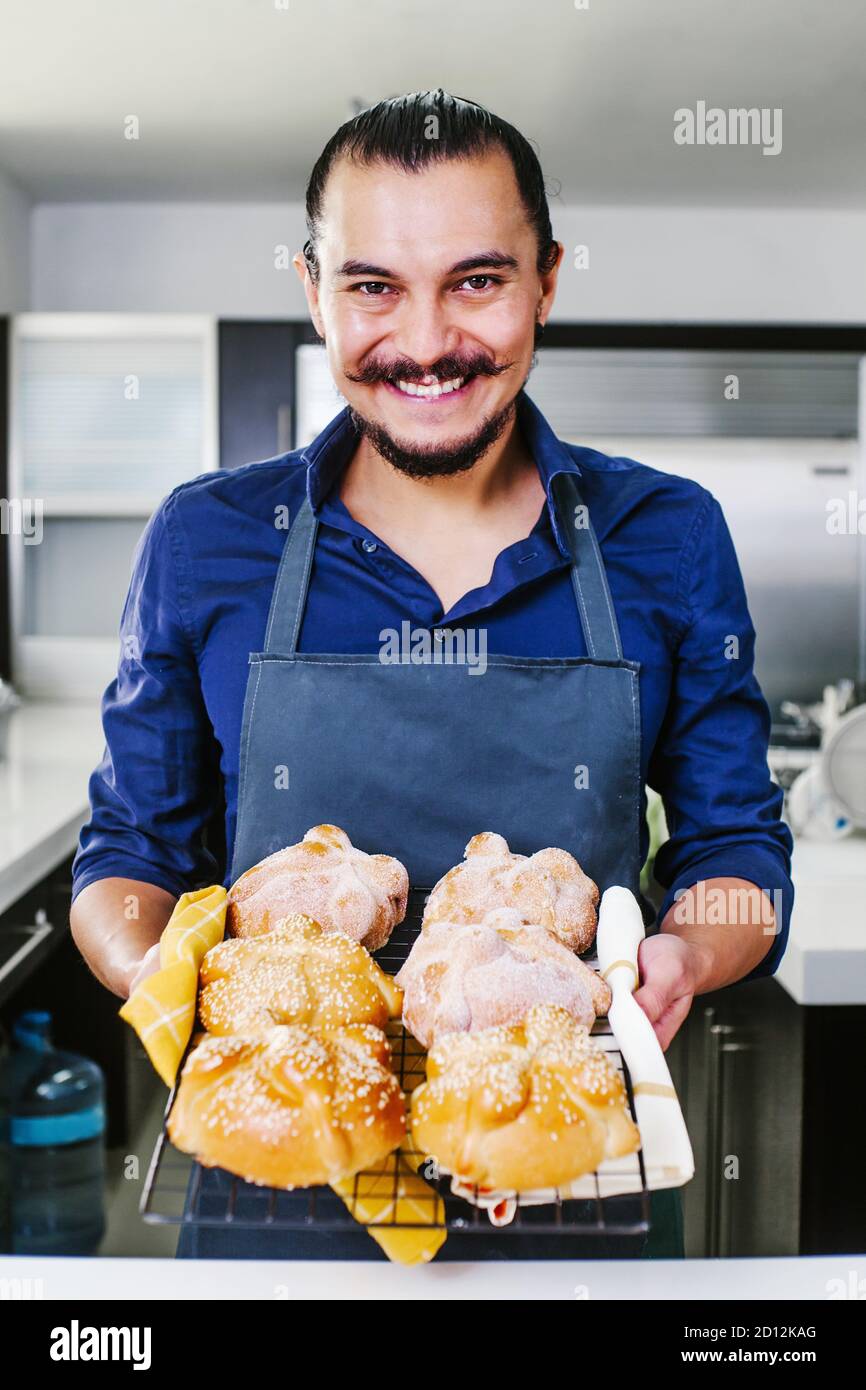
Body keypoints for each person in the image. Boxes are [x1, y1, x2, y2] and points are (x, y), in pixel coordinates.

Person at [70, 90, 793, 1261]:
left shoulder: (667, 534)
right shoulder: (208, 538)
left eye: (475, 280)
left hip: (571, 1184)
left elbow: (736, 853)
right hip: (278, 1177)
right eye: (371, 286)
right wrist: (159, 966)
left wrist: (688, 950)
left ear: (545, 281)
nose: (421, 342)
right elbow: (127, 860)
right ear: (312, 288)